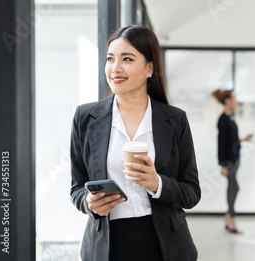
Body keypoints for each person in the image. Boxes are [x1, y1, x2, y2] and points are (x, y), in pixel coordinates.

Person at [70, 25, 200, 261]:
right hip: (107, 246)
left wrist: (157, 183)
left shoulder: (175, 119)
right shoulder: (85, 118)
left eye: (127, 59)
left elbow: (191, 192)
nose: (115, 68)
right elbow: (76, 188)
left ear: (150, 68)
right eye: (110, 59)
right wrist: (90, 203)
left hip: (164, 246)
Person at [212, 89, 253, 234]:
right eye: (234, 98)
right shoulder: (223, 119)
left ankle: (228, 217)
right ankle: (231, 218)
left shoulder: (230, 117)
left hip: (235, 159)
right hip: (229, 161)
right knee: (234, 188)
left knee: (232, 188)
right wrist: (223, 164)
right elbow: (221, 143)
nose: (236, 101)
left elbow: (231, 140)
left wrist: (242, 139)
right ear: (228, 101)